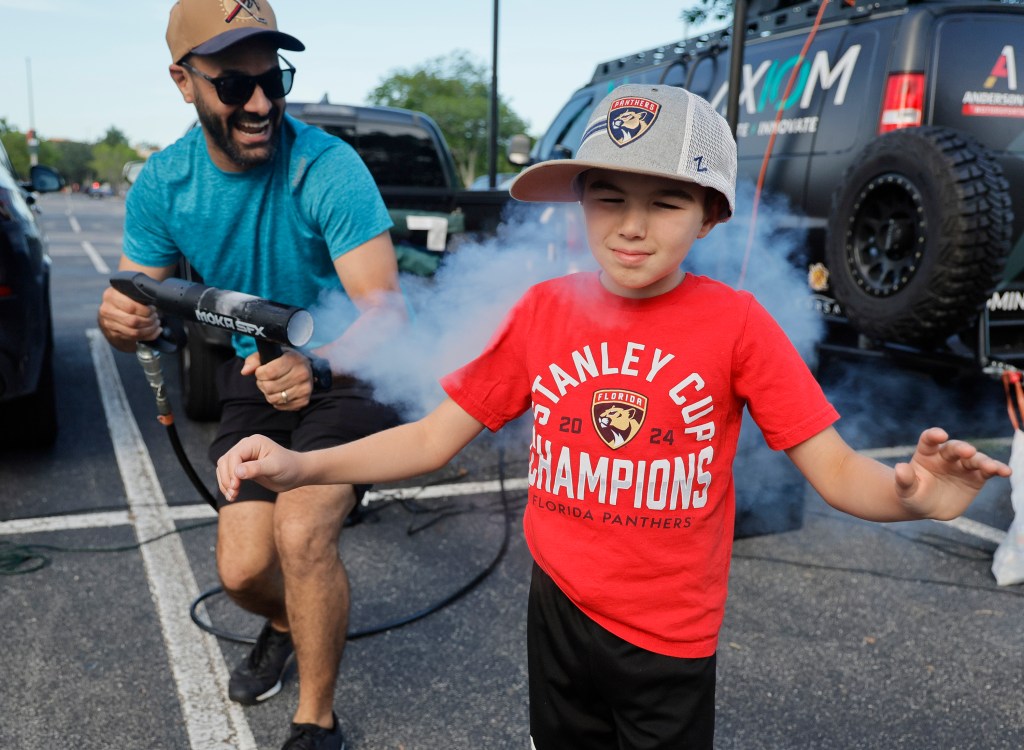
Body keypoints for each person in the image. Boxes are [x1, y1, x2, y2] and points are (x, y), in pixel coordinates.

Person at [214, 84, 1012, 749]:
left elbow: (836, 469)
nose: (632, 224)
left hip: (669, 639)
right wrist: (302, 467)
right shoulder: (543, 310)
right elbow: (432, 437)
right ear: (580, 206)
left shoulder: (737, 326)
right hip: (557, 610)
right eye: (608, 197)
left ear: (708, 217)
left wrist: (911, 496)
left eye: (665, 201)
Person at [97, 1, 406, 748]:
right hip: (255, 373)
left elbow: (389, 317)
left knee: (301, 535)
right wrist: (121, 318)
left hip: (347, 369)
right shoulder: (164, 185)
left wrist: (321, 366)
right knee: (241, 572)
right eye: (234, 86)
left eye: (274, 79)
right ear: (184, 82)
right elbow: (137, 295)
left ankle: (316, 721)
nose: (262, 102)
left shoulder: (328, 166)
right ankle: (282, 621)